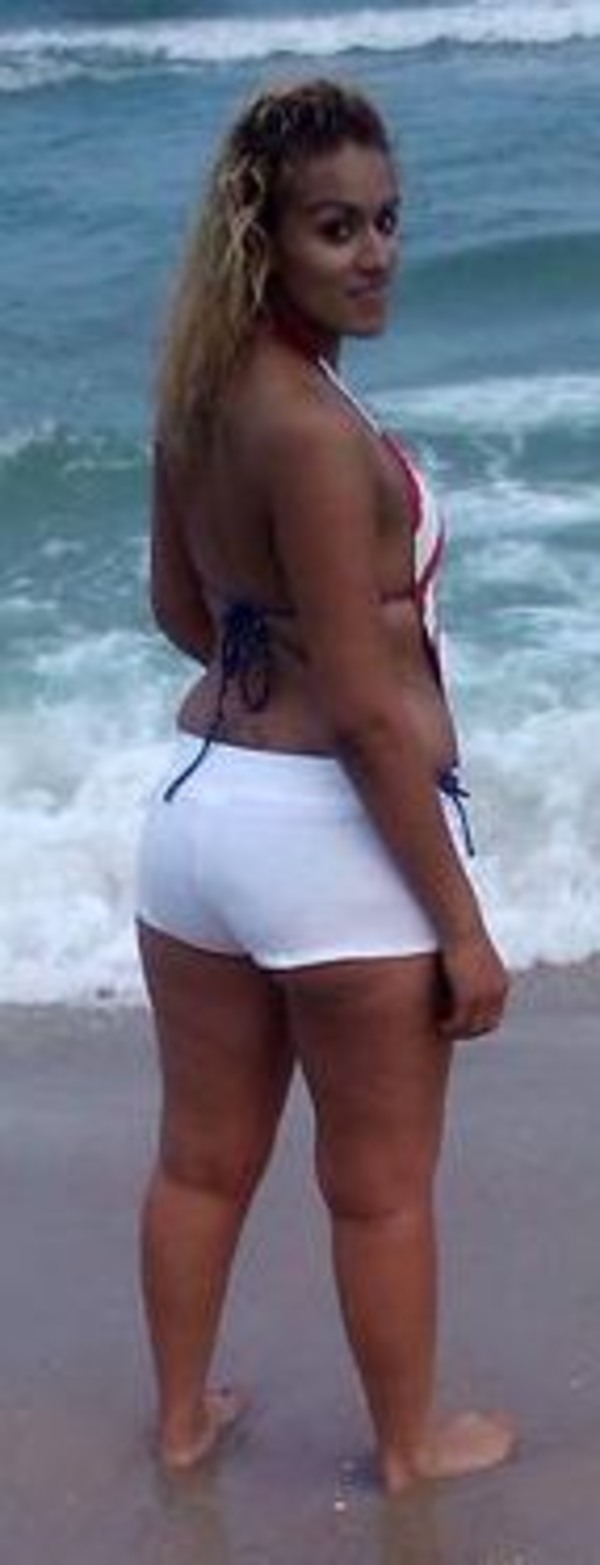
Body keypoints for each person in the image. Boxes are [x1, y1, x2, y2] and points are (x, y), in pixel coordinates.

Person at [136, 77, 515, 1493]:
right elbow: (361, 714)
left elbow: (180, 606)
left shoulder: (198, 392)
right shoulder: (306, 423)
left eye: (388, 221)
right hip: (328, 839)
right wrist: (463, 925)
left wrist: (280, 661)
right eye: (336, 227)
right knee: (379, 1185)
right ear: (266, 236)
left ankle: (184, 1420)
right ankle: (410, 1449)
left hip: (198, 816)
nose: (375, 255)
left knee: (201, 1159)